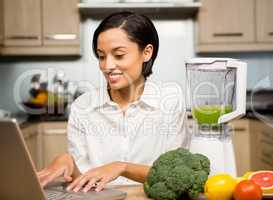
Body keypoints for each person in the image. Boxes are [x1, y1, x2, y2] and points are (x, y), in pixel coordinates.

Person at [37, 11, 189, 193]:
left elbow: (176, 175)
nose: (107, 66)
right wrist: (68, 162)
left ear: (147, 53)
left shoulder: (170, 100)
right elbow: (85, 182)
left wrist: (122, 167)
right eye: (101, 56)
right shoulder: (82, 106)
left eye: (118, 55)